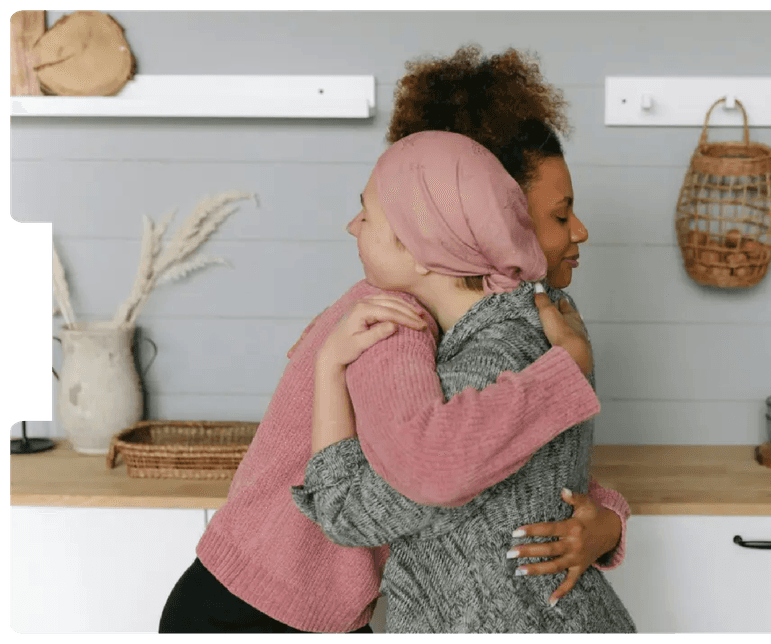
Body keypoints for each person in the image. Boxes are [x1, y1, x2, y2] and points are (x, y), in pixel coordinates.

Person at [157, 50, 628, 635]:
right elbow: (428, 471)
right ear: (471, 222)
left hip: (310, 606)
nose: (579, 230)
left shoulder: (493, 321)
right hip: (260, 607)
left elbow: (503, 457)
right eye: (557, 215)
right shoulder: (397, 320)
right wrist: (566, 376)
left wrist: (607, 520)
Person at [292, 130, 636, 635]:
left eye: (366, 214)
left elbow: (350, 513)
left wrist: (328, 367)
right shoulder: (539, 322)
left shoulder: (489, 360)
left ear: (422, 249)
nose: (352, 226)